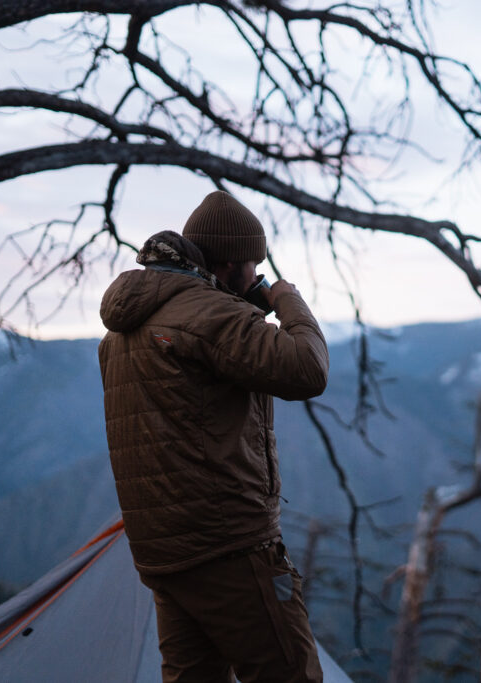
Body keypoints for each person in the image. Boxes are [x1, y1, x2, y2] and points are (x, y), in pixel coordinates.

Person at [98, 190, 329, 683]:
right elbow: (308, 370)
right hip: (230, 546)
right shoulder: (210, 316)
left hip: (167, 553)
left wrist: (239, 310)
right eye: (253, 263)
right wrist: (286, 298)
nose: (257, 274)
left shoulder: (123, 330)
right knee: (291, 673)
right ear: (231, 264)